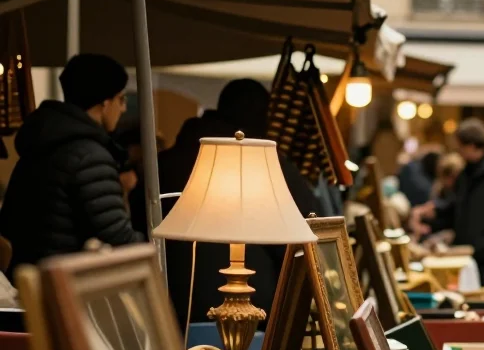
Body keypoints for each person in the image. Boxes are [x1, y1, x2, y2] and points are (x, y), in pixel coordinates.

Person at [131, 78, 321, 332]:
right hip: (255, 314)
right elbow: (309, 228)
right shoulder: (267, 167)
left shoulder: (162, 166)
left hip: (168, 308)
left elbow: (137, 225)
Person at [0, 53, 142, 276]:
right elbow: (118, 238)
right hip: (63, 283)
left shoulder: (41, 143)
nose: (123, 109)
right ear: (104, 103)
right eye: (121, 99)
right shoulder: (89, 155)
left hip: (28, 279)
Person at [423, 119, 484, 286]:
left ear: (472, 146)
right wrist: (435, 214)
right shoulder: (465, 174)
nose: (458, 151)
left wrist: (482, 244)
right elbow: (457, 208)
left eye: (460, 147)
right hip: (464, 256)